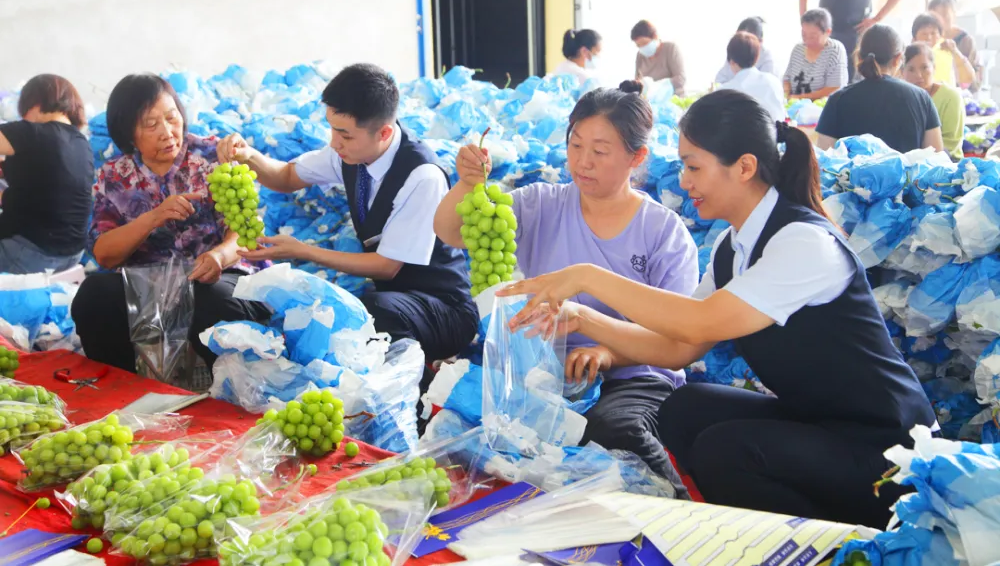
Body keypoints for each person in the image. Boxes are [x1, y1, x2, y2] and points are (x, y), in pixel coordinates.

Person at [495, 88, 937, 527]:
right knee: (686, 409)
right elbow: (678, 349)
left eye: (693, 167)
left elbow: (700, 321)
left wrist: (587, 277)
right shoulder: (732, 247)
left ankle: (840, 547)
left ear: (744, 167)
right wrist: (580, 316)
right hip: (820, 420)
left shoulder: (802, 243)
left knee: (724, 452)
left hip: (886, 446)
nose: (683, 181)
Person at [433, 81, 699, 496]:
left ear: (637, 156)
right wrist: (468, 183)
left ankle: (679, 510)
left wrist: (607, 351)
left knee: (613, 429)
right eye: (576, 145)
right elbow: (452, 232)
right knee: (461, 422)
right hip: (543, 370)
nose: (583, 162)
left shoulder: (664, 233)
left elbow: (676, 337)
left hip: (634, 374)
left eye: (599, 150)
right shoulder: (540, 204)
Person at [217, 63, 478, 373]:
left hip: (443, 309)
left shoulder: (421, 176)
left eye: (344, 134)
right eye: (331, 129)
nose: (334, 142)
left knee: (376, 311)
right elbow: (286, 177)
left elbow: (387, 266)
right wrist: (249, 156)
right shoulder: (350, 153)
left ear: (384, 132)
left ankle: (414, 398)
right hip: (396, 299)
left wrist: (301, 250)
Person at [71, 74, 271, 373]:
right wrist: (153, 217)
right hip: (153, 287)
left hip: (218, 277)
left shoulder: (212, 157)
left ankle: (224, 390)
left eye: (171, 118)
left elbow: (245, 232)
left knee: (213, 300)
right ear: (128, 134)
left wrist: (218, 256)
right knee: (94, 295)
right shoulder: (115, 175)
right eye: (151, 125)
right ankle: (125, 387)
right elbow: (104, 253)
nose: (167, 132)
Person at [0, 75, 93, 274]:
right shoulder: (81, 143)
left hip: (31, 253)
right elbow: (45, 190)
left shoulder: (33, 132)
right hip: (71, 255)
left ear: (35, 102)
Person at [816, 25, 944, 154]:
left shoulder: (837, 100)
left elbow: (825, 161)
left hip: (853, 174)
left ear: (860, 57)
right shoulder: (922, 98)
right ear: (898, 59)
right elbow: (937, 160)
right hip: (909, 175)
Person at [902, 43, 966, 161]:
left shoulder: (951, 97)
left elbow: (950, 143)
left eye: (924, 67)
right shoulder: (901, 97)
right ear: (902, 72)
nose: (919, 75)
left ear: (934, 68)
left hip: (947, 160)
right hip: (911, 161)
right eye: (911, 69)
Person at [718, 32, 786, 122]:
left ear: (731, 61)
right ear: (757, 58)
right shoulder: (774, 82)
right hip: (775, 135)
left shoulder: (724, 91)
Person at [783, 9, 849, 101]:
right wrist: (786, 95)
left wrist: (800, 98)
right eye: (804, 35)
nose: (807, 40)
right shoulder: (798, 49)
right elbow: (787, 79)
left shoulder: (835, 50)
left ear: (828, 32)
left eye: (813, 36)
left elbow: (835, 88)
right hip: (794, 107)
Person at [928, 0, 981, 91]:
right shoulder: (926, 39)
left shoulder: (966, 41)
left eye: (945, 16)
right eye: (935, 16)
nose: (940, 21)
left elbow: (973, 81)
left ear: (954, 15)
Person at [911, 12, 977, 89]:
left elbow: (968, 78)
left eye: (933, 33)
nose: (929, 37)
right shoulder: (909, 55)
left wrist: (955, 52)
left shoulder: (948, 51)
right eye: (924, 34)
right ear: (914, 38)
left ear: (940, 35)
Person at [715, 17, 779, 84]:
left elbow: (764, 86)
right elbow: (719, 81)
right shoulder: (734, 53)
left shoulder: (768, 61)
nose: (743, 45)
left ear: (760, 42)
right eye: (739, 40)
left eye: (749, 41)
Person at [631, 20, 686, 96]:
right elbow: (637, 80)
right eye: (638, 46)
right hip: (649, 101)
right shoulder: (640, 55)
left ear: (655, 36)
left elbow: (681, 79)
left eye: (644, 43)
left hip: (673, 98)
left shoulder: (670, 49)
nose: (642, 47)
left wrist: (656, 86)